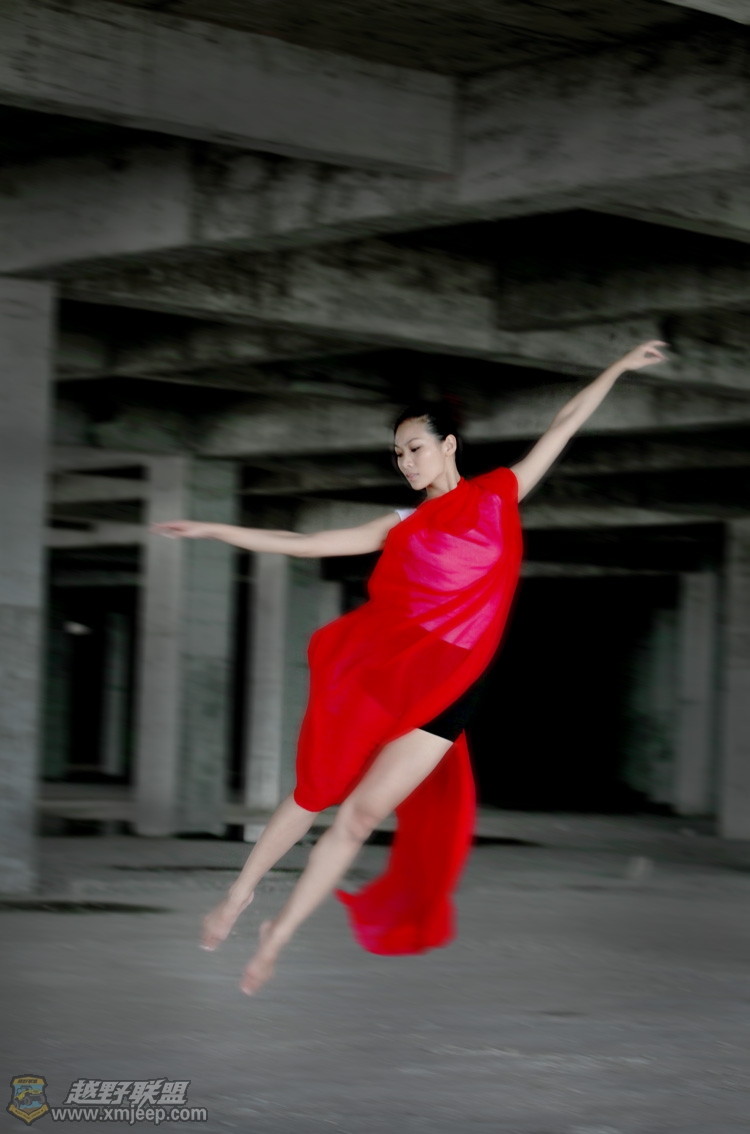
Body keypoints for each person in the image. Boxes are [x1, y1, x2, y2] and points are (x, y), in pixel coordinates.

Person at [152, 339, 667, 994]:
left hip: (453, 687)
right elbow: (306, 542)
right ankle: (240, 893)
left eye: (415, 448)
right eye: (397, 453)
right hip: (394, 670)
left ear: (448, 446)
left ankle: (277, 936)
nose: (405, 462)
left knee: (362, 818)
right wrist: (215, 530)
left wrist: (618, 366)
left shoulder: (499, 495)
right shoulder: (402, 522)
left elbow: (565, 422)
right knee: (317, 791)